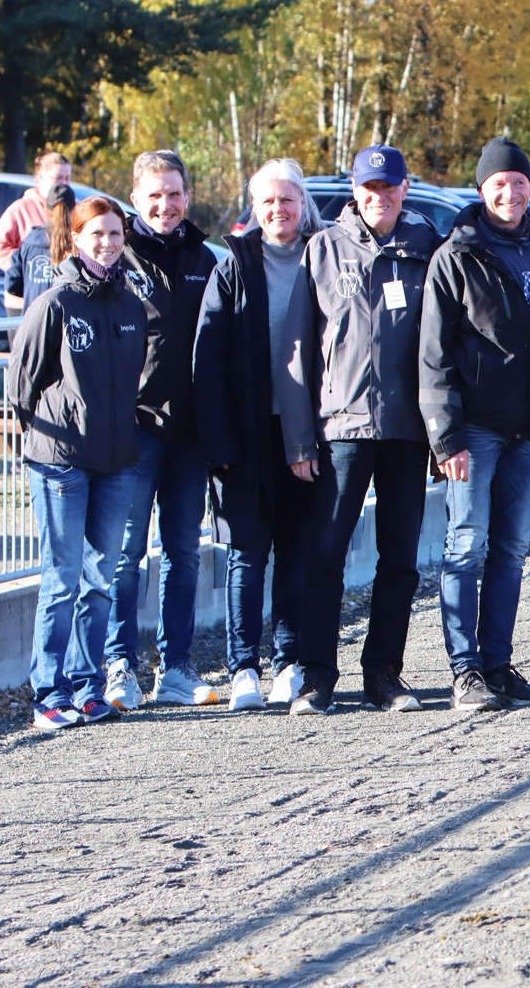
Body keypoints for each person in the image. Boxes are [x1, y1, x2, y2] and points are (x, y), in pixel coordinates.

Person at [420, 137, 530, 711]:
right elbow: (432, 356)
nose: (509, 192)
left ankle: (498, 663)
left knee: (511, 550)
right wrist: (448, 435)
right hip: (475, 430)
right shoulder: (456, 255)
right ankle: (465, 671)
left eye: (518, 182)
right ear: (482, 190)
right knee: (465, 546)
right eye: (497, 184)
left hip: (529, 430)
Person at [290, 145, 442, 715]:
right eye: (370, 188)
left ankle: (384, 674)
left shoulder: (427, 247)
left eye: (390, 187)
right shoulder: (323, 250)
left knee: (399, 558)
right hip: (341, 427)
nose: (380, 197)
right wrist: (302, 437)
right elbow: (300, 352)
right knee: (325, 554)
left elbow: (443, 342)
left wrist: (440, 431)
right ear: (356, 192)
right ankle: (316, 677)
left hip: (407, 428)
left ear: (405, 189)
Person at [9, 196, 147, 729]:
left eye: (115, 234)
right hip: (61, 463)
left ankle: (89, 686)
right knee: (62, 578)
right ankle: (49, 691)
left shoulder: (132, 304)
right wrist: (55, 436)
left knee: (99, 578)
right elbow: (24, 386)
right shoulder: (56, 302)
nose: (108, 243)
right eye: (97, 235)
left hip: (117, 463)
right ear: (76, 237)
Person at [191, 159, 322, 711]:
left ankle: (288, 661)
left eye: (287, 200)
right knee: (247, 552)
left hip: (305, 432)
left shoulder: (324, 257)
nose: (277, 210)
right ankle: (243, 665)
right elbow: (208, 361)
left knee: (295, 549)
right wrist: (219, 446)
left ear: (302, 204)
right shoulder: (235, 265)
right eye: (267, 201)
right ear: (255, 207)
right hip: (246, 433)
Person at [104, 150, 220, 710]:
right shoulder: (115, 258)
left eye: (174, 194)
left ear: (187, 197)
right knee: (127, 555)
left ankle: (175, 668)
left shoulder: (206, 257)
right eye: (154, 194)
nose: (165, 205)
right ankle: (118, 664)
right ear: (135, 198)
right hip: (134, 432)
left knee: (183, 552)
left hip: (189, 433)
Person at [0, 150, 71, 271]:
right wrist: (25, 267)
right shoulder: (20, 210)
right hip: (34, 284)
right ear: (40, 177)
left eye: (67, 178)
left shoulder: (77, 209)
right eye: (58, 178)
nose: (64, 184)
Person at [7, 183, 75, 310]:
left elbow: (12, 284)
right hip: (67, 322)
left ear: (47, 209)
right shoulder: (79, 242)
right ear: (74, 209)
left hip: (34, 321)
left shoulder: (30, 241)